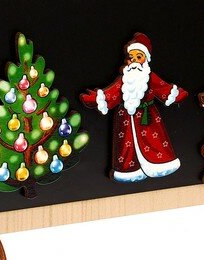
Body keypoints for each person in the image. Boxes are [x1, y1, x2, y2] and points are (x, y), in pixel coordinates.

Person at [80, 33, 188, 182]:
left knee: (154, 141)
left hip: (148, 117)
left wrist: (176, 95)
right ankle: (129, 171)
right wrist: (97, 98)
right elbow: (112, 93)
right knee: (126, 145)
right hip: (125, 118)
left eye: (139, 56)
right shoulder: (125, 79)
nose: (134, 60)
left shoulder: (150, 77)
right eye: (132, 57)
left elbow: (163, 88)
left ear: (146, 58)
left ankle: (160, 165)